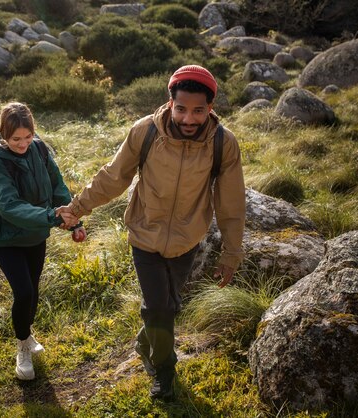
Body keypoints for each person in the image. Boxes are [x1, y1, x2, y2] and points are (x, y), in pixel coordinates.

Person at [57, 65, 245, 400]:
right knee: (157, 307)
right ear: (170, 103)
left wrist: (231, 252)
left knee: (168, 306)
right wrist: (77, 207)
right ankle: (165, 371)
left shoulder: (222, 143)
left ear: (210, 109)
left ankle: (145, 344)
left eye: (198, 111)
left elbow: (230, 203)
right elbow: (112, 178)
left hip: (188, 240)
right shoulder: (145, 132)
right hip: (144, 236)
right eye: (182, 109)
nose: (189, 119)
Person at [0, 102, 83, 381]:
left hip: (35, 235)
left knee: (33, 290)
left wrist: (73, 218)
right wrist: (52, 216)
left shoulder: (39, 148)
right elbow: (9, 206)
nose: (23, 144)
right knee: (23, 292)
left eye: (28, 137)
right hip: (5, 238)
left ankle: (26, 333)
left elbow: (57, 184)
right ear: (3, 135)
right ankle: (22, 346)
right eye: (16, 139)